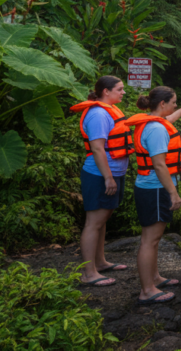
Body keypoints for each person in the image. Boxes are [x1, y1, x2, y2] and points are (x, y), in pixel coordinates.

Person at [123, 86, 181, 305]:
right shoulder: (156, 129)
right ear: (162, 104)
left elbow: (169, 119)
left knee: (153, 239)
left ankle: (154, 278)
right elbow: (159, 165)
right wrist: (173, 194)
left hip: (150, 186)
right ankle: (147, 291)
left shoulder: (152, 122)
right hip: (155, 188)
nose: (175, 105)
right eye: (174, 102)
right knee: (150, 240)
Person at [70, 76, 133, 287]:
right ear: (106, 91)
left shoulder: (108, 111)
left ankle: (100, 262)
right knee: (94, 222)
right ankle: (89, 273)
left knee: (102, 220)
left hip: (113, 172)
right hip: (100, 175)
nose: (123, 93)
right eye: (120, 89)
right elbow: (97, 148)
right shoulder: (98, 114)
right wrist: (108, 177)